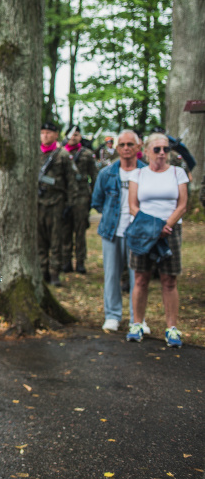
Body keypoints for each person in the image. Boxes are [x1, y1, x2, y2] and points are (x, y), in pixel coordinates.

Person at [126, 133, 188, 347]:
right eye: (157, 149)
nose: (162, 153)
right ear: (147, 151)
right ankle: (137, 324)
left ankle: (171, 328)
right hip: (144, 231)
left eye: (166, 149)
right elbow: (133, 205)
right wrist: (153, 226)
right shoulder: (138, 174)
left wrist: (166, 225)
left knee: (169, 280)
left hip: (170, 232)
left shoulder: (177, 173)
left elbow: (182, 204)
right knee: (141, 278)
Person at [91, 129, 145, 332]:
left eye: (130, 144)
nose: (126, 148)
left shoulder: (145, 172)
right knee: (112, 275)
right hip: (111, 232)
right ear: (117, 147)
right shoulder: (107, 173)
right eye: (122, 145)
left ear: (138, 147)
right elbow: (97, 201)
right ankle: (112, 315)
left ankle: (136, 318)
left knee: (138, 277)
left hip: (138, 233)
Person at [38, 121, 76, 286]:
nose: (45, 135)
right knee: (40, 241)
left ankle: (54, 273)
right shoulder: (36, 154)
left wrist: (70, 205)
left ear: (55, 135)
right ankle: (42, 270)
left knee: (55, 240)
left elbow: (72, 181)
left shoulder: (62, 155)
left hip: (57, 203)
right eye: (43, 132)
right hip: (38, 203)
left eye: (49, 133)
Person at [61, 125, 98, 273]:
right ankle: (66, 261)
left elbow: (94, 176)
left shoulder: (87, 154)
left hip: (81, 197)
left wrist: (93, 197)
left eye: (76, 134)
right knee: (65, 231)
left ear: (80, 136)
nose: (73, 137)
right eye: (70, 134)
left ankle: (80, 262)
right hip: (64, 197)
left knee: (80, 231)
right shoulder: (61, 154)